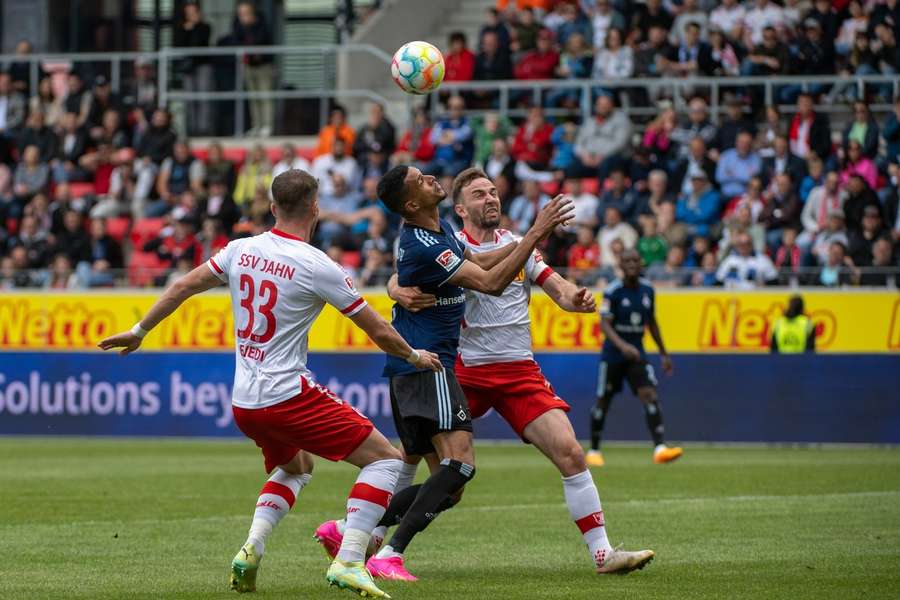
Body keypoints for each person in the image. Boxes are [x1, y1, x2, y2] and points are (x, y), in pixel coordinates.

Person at [98, 169, 443, 599]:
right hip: (287, 393)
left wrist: (139, 329)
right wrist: (413, 355)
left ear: (273, 207)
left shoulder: (240, 249)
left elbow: (184, 285)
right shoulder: (319, 265)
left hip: (244, 401)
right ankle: (351, 560)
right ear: (315, 208)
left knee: (296, 467)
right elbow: (378, 331)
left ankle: (250, 549)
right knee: (387, 462)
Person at [330, 164, 573, 581]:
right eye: (420, 180)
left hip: (414, 369)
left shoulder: (435, 230)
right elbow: (491, 281)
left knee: (450, 484)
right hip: (431, 365)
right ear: (411, 203)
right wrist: (535, 233)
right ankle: (388, 553)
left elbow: (478, 260)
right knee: (459, 467)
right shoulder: (425, 243)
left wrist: (527, 243)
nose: (429, 178)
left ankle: (348, 532)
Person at [588, 249, 681, 467]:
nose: (631, 264)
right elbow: (604, 324)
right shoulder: (613, 292)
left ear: (641, 264)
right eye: (627, 260)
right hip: (613, 355)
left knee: (649, 394)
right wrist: (622, 346)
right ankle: (593, 450)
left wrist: (664, 353)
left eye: (635, 260)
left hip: (637, 353)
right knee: (604, 400)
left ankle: (660, 448)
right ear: (620, 264)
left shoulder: (648, 290)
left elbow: (652, 322)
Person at [233, 1, 274, 135]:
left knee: (265, 95)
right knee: (253, 97)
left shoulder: (261, 23)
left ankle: (267, 125)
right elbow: (235, 40)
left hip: (263, 65)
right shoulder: (238, 25)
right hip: (248, 65)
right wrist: (243, 26)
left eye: (245, 13)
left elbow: (263, 39)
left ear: (252, 12)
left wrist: (250, 26)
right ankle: (256, 125)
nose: (243, 16)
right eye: (241, 14)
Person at [174, 0, 214, 135]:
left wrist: (195, 26)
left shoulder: (205, 27)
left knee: (203, 98)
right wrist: (187, 30)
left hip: (203, 65)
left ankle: (204, 128)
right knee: (190, 99)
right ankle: (191, 128)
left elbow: (198, 43)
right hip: (188, 68)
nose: (191, 15)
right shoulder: (181, 28)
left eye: (194, 12)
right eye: (188, 13)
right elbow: (179, 45)